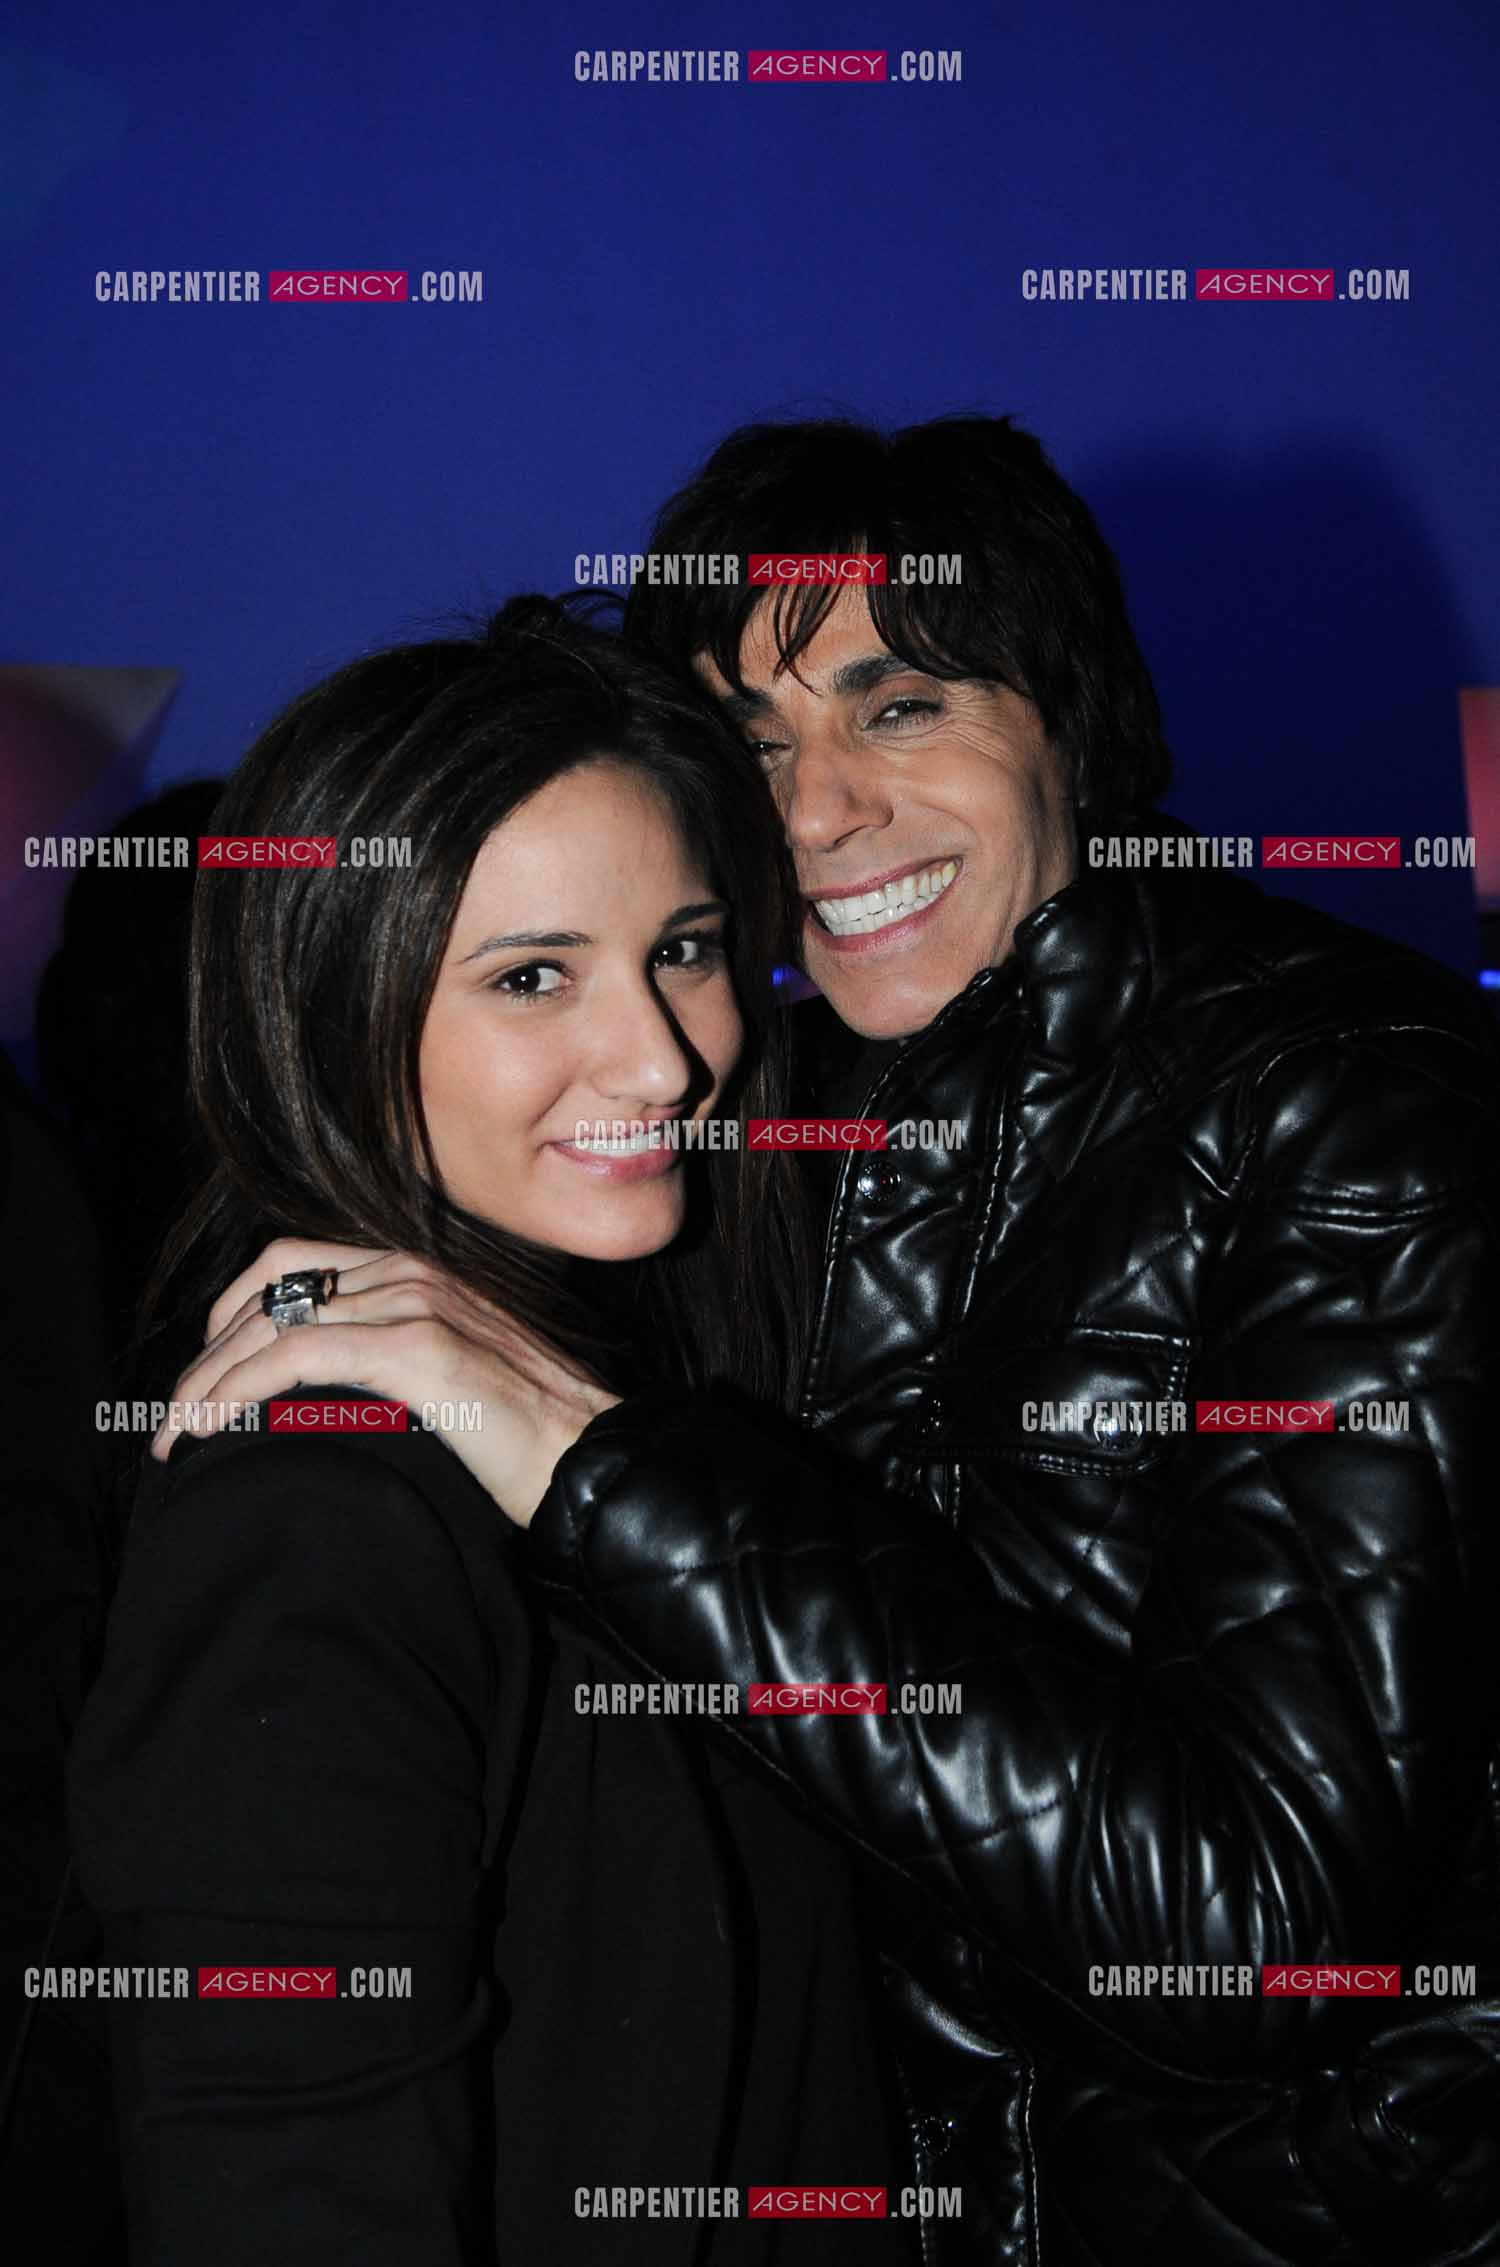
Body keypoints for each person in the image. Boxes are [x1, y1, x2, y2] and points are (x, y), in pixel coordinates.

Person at [142, 418, 1500, 2266]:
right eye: (756, 744)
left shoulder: (1346, 1106)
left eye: (901, 706)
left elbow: (1252, 1936)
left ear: (1076, 721)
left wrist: (603, 1468)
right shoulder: (750, 1122)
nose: (819, 811)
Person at [65, 595, 912, 2266]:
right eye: (533, 976)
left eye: (683, 949)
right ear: (333, 1009)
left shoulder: (661, 1393)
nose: (661, 1060)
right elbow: (280, 2183)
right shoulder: (312, 1499)